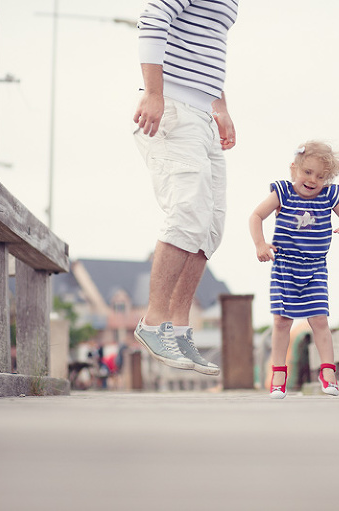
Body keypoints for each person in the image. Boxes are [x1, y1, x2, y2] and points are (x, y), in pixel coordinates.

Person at [131, 0, 239, 376]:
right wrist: (155, 92)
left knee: (210, 225)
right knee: (188, 209)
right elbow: (153, 19)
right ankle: (152, 322)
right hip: (173, 107)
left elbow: (209, 46)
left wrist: (219, 105)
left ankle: (177, 329)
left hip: (203, 114)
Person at [249, 141, 339, 399]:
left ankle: (328, 371)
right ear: (294, 168)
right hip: (285, 265)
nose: (313, 180)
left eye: (320, 176)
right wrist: (260, 244)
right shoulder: (283, 193)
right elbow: (256, 216)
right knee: (282, 320)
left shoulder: (329, 196)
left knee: (319, 319)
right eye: (307, 172)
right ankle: (278, 374)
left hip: (315, 266)